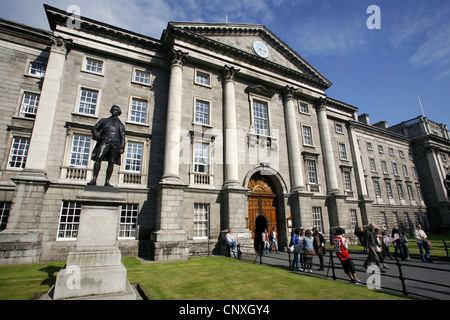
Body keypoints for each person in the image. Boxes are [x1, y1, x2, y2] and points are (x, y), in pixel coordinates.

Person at [88, 105, 126, 186]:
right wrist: (98, 137)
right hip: (105, 141)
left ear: (118, 112)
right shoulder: (104, 121)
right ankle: (94, 179)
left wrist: (122, 147)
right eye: (112, 109)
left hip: (115, 144)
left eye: (116, 109)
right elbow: (94, 128)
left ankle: (107, 181)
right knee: (98, 158)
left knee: (111, 162)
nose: (114, 110)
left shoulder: (121, 125)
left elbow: (123, 137)